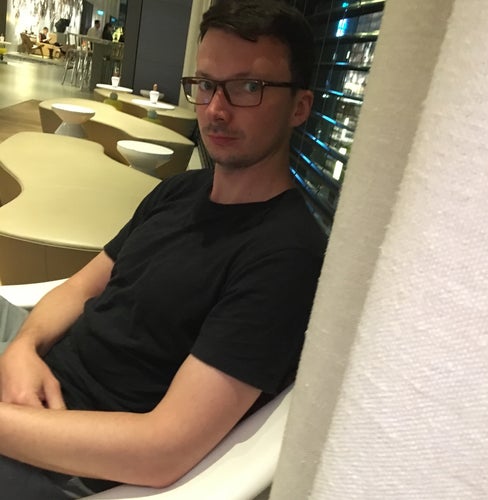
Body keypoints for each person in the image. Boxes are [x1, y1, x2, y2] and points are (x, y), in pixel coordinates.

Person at [0, 0, 326, 498]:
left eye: (247, 87)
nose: (216, 109)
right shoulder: (180, 191)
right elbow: (80, 288)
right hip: (35, 376)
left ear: (299, 107)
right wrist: (24, 350)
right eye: (206, 84)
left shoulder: (286, 255)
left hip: (65, 457)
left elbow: (162, 449)